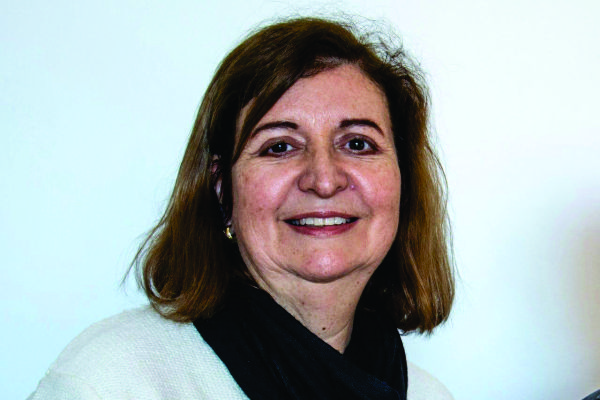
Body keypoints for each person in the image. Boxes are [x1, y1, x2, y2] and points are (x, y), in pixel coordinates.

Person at [29, 17, 454, 399]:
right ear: (222, 190)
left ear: (402, 181)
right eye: (280, 146)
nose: (324, 180)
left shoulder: (427, 394)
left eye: (358, 144)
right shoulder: (111, 382)